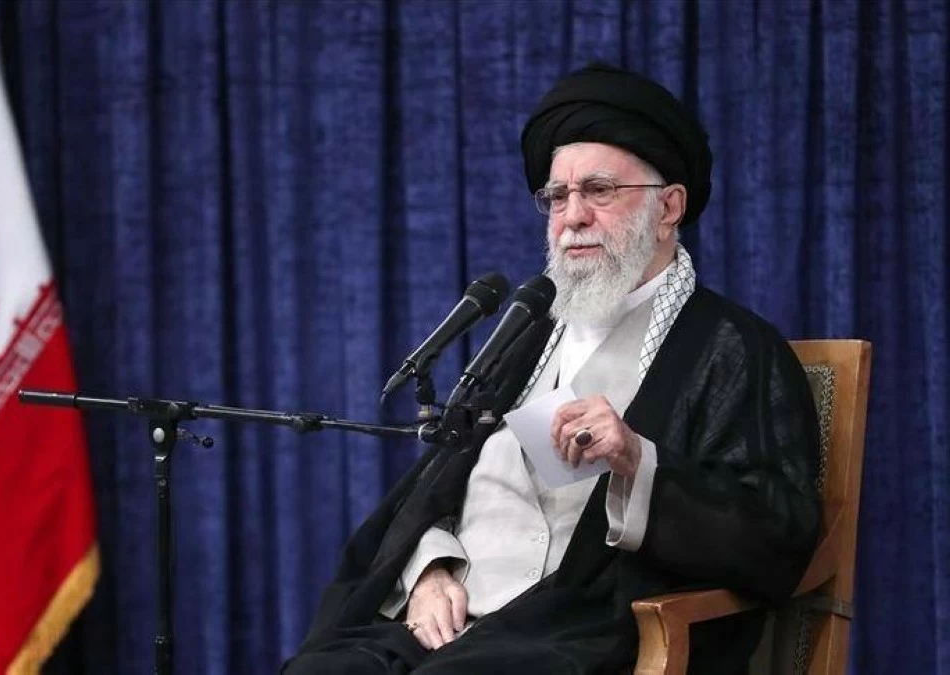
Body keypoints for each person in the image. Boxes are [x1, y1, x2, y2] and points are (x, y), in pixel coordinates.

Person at [282, 62, 821, 675]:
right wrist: (428, 568)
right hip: (451, 621)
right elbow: (437, 488)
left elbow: (775, 536)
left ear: (669, 207)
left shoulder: (731, 348)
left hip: (577, 628)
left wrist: (637, 460)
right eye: (558, 197)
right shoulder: (528, 335)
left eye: (599, 191)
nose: (573, 216)